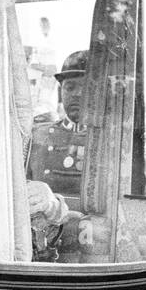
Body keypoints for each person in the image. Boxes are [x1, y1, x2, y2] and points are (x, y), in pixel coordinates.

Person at [26, 51, 89, 198]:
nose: (77, 94)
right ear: (61, 93)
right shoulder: (37, 134)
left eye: (86, 88)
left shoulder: (112, 142)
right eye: (70, 88)